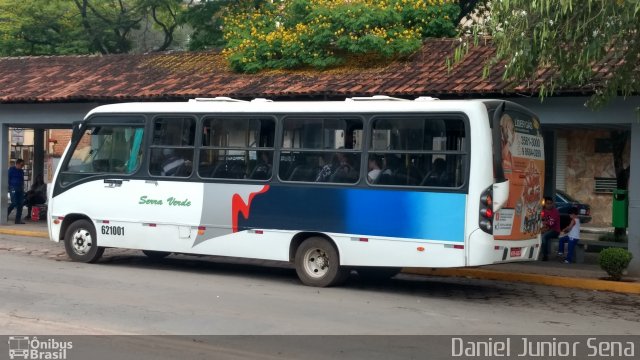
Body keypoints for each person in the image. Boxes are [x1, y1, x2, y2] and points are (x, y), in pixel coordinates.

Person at [539, 196, 561, 261]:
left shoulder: (555, 211)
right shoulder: (542, 211)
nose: (549, 205)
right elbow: (541, 220)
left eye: (551, 203)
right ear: (544, 204)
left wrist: (544, 227)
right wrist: (543, 227)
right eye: (547, 203)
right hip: (546, 229)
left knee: (543, 237)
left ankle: (545, 255)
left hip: (555, 231)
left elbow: (551, 223)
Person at [7, 159, 26, 224]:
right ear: (17, 164)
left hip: (20, 188)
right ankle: (5, 215)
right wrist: (9, 187)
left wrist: (23, 188)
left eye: (23, 165)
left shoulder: (21, 171)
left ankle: (17, 220)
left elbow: (22, 180)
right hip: (13, 188)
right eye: (21, 165)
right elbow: (8, 178)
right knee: (14, 202)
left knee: (20, 204)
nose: (22, 166)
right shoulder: (11, 170)